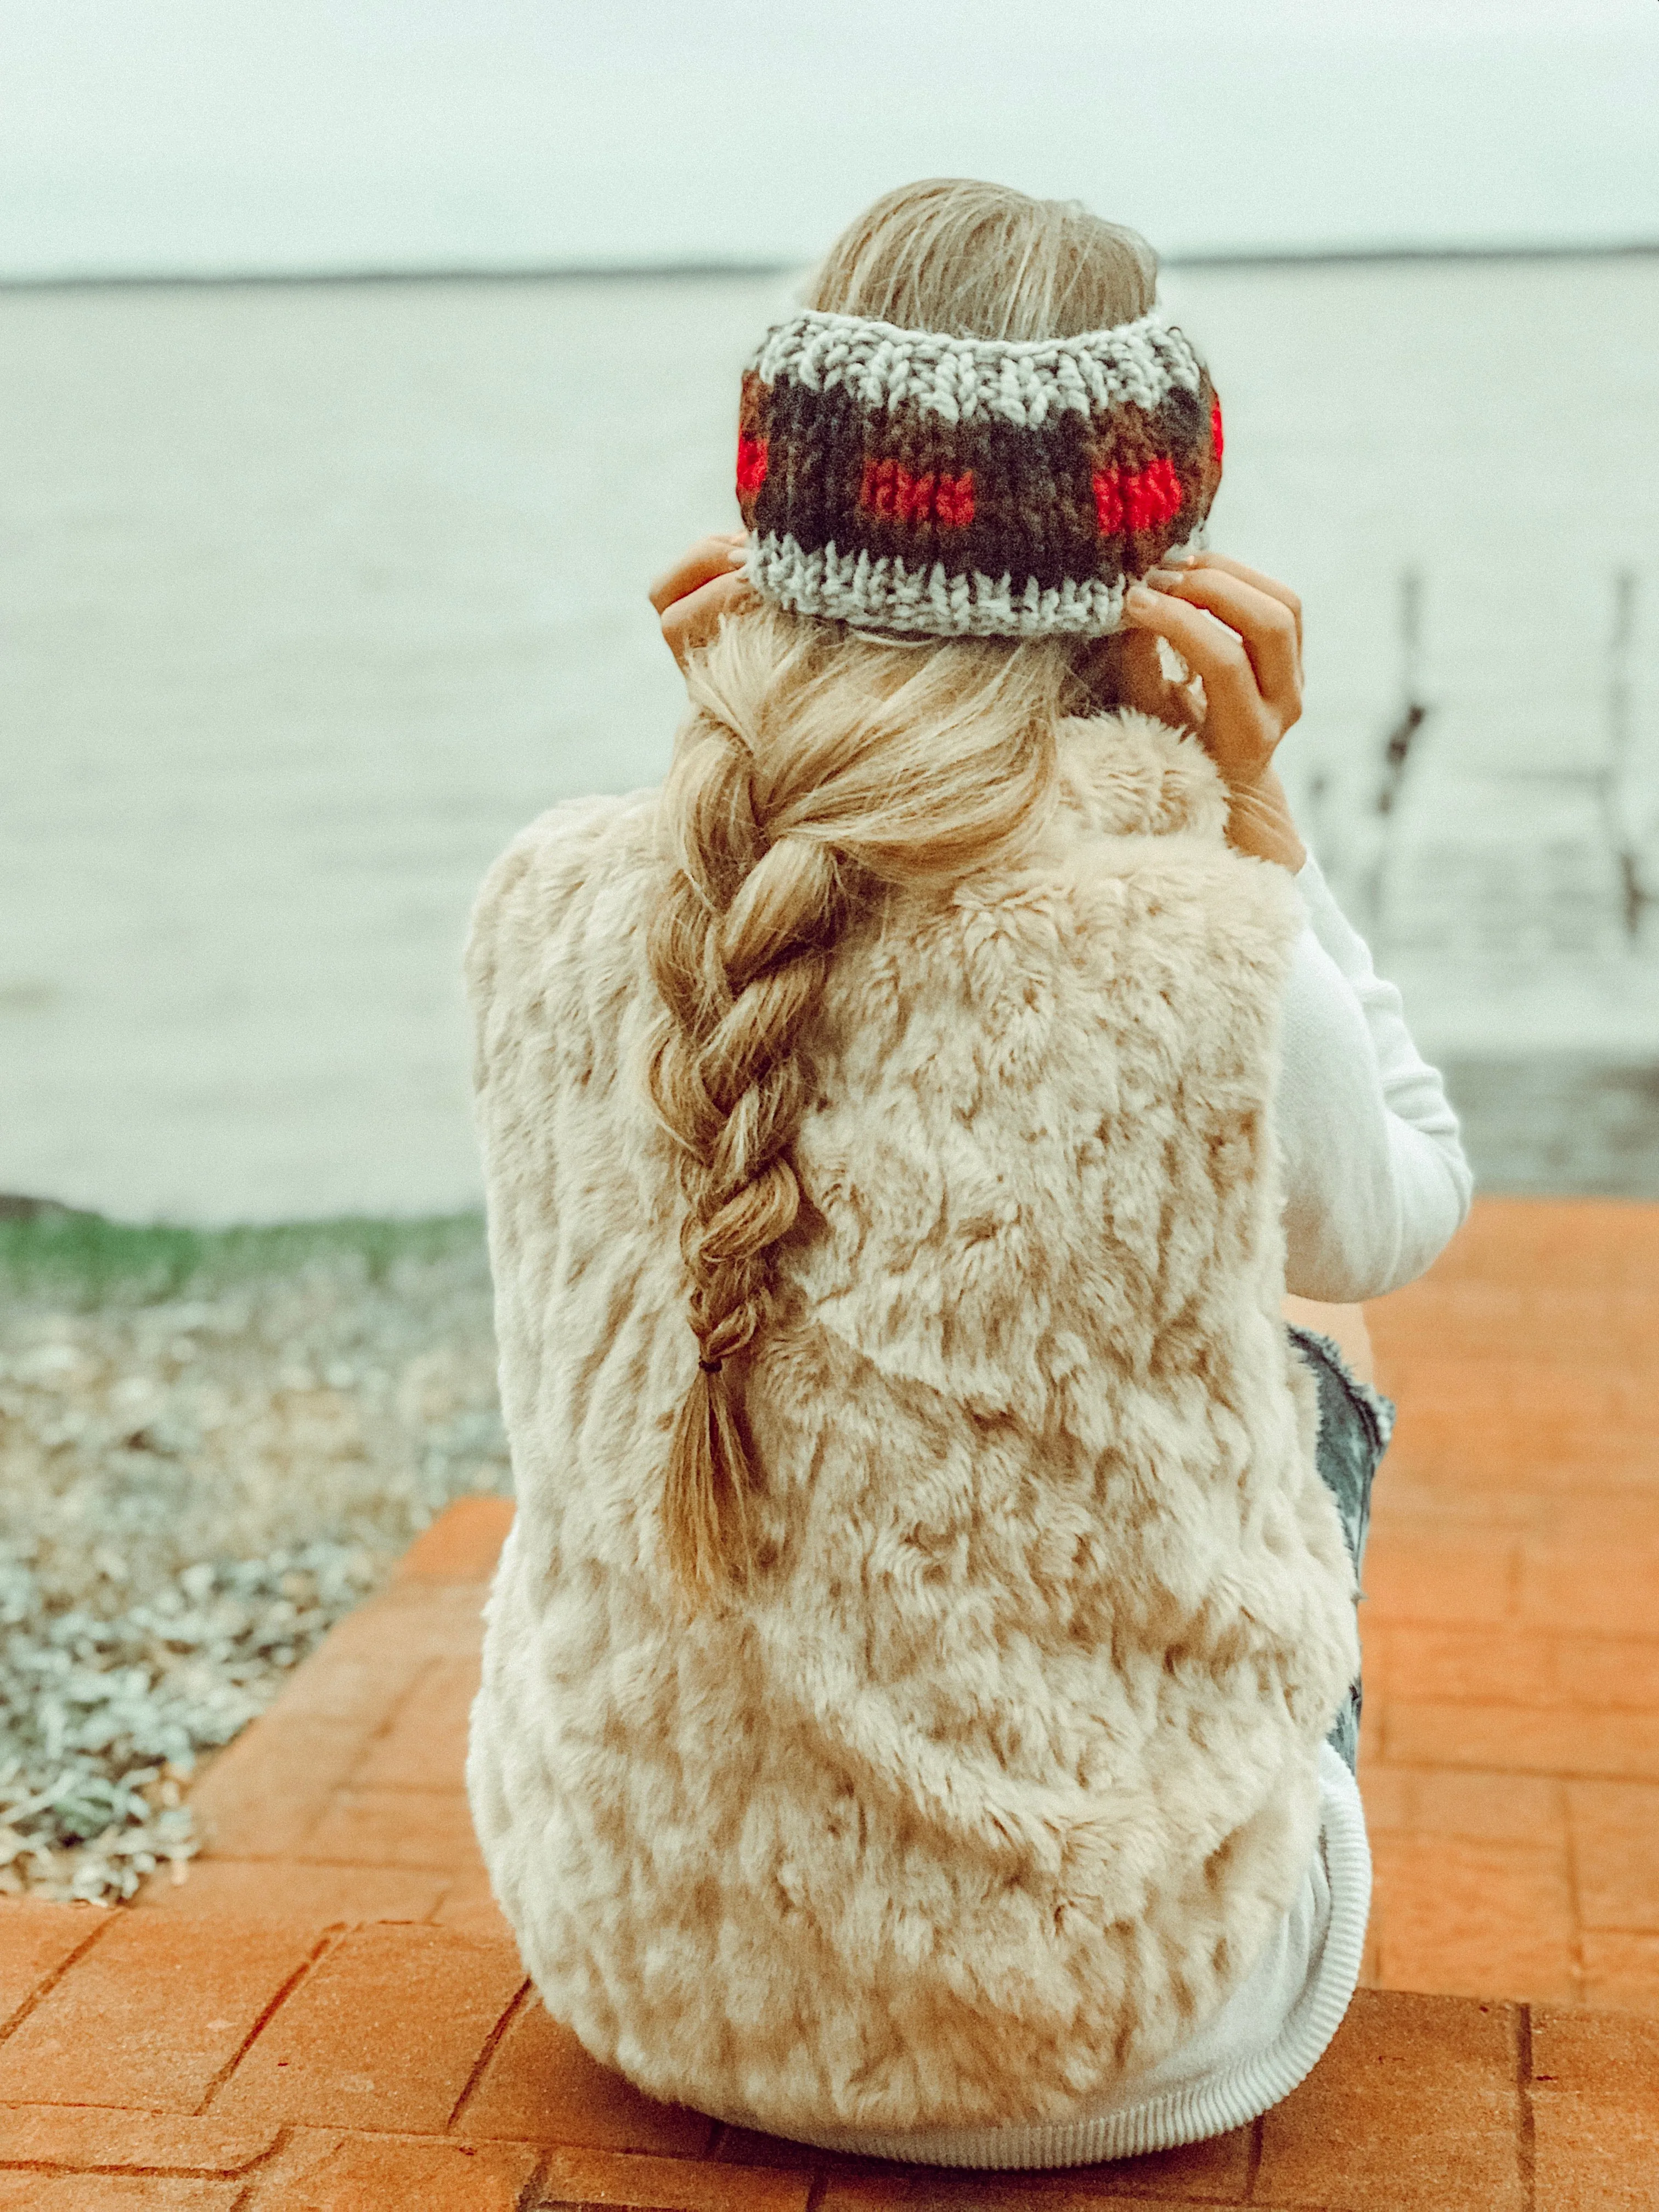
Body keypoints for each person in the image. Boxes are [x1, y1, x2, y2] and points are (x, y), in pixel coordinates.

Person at [464, 178, 1471, 2169]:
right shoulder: (1194, 943)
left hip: (630, 1959)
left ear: (778, 521)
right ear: (1157, 549)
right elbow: (1406, 1204)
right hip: (1113, 2036)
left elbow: (810, 1001)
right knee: (1311, 1291)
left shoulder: (554, 899)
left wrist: (757, 758)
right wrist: (1265, 823)